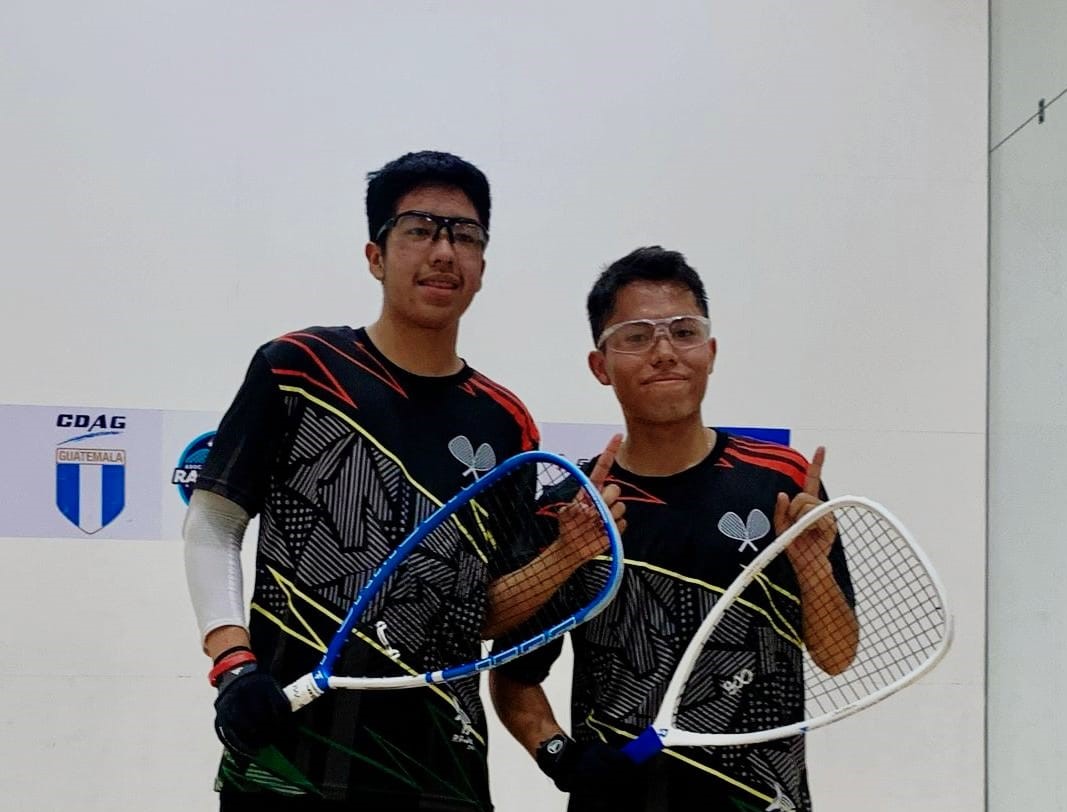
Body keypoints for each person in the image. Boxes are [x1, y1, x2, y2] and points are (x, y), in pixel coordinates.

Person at [182, 150, 622, 811]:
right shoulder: (298, 368)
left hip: (439, 772)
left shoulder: (508, 427)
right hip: (287, 760)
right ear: (374, 254)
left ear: (481, 267)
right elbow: (214, 524)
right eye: (419, 228)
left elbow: (479, 616)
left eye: (465, 235)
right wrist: (232, 666)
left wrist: (564, 557)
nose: (443, 251)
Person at [489, 246, 857, 812]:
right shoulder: (571, 507)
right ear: (600, 364)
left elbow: (836, 654)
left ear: (710, 352)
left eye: (684, 332)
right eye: (636, 336)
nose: (664, 352)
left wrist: (811, 568)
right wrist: (560, 756)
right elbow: (513, 679)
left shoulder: (781, 482)